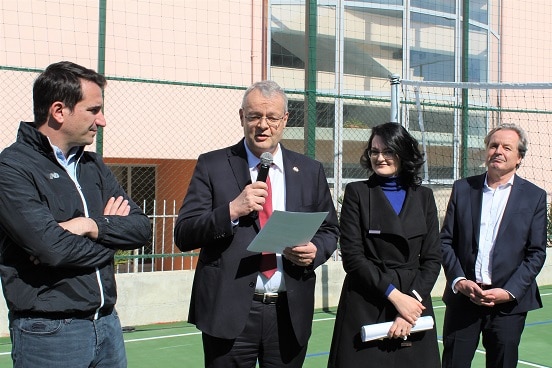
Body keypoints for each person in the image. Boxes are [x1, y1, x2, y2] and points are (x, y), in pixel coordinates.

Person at [174, 80, 339, 367]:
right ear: (242, 117)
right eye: (254, 116)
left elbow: (329, 229)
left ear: (285, 120)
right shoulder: (212, 165)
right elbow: (185, 233)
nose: (263, 125)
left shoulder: (310, 170)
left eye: (272, 117)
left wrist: (315, 250)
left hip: (289, 312)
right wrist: (231, 210)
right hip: (230, 311)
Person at [0, 61, 152, 367]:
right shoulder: (13, 168)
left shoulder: (92, 166)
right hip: (50, 333)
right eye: (94, 110)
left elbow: (141, 229)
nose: (102, 120)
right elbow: (53, 249)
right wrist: (111, 238)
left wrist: (90, 225)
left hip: (108, 325)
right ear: (59, 111)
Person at [328, 122, 441, 368]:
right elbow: (353, 258)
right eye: (374, 151)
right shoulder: (357, 193)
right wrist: (394, 296)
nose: (380, 157)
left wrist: (409, 305)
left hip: (414, 305)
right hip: (367, 301)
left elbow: (432, 259)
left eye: (388, 151)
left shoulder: (424, 197)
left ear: (403, 153)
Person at [440, 123, 547, 368]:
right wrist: (459, 281)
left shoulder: (534, 196)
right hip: (464, 301)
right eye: (493, 145)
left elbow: (536, 253)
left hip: (508, 306)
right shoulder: (463, 188)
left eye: (506, 147)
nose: (498, 151)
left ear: (519, 157)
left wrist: (508, 292)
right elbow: (446, 241)